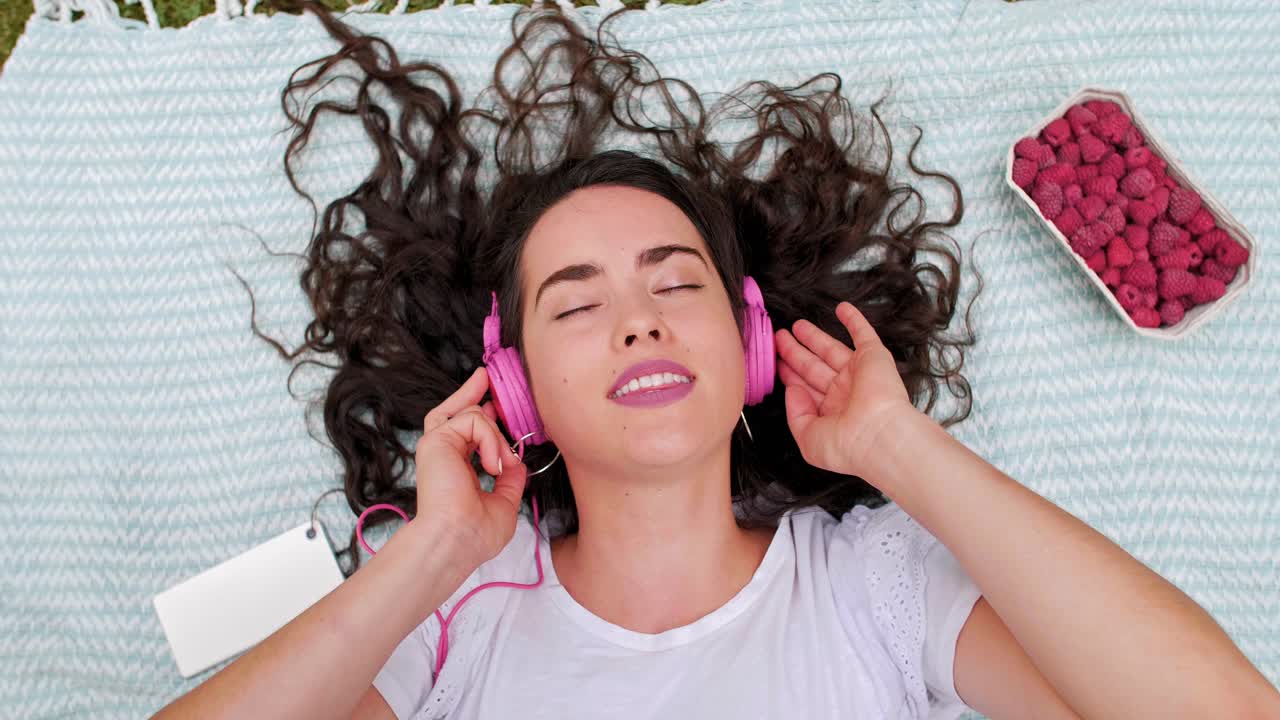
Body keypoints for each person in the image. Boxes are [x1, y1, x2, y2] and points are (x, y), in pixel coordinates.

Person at [151, 2, 1280, 719]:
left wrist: (900, 449)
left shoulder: (870, 583)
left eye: (675, 282)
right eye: (575, 303)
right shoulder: (454, 616)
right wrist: (433, 553)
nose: (638, 323)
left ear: (746, 345)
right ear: (515, 389)